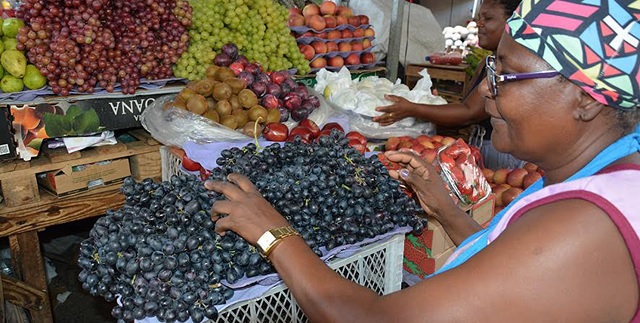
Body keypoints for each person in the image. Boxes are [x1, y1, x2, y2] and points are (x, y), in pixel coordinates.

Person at [205, 0, 640, 321]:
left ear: (585, 99)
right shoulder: (600, 177)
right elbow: (510, 267)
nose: (486, 91)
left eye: (504, 74)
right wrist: (446, 211)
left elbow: (374, 320)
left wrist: (272, 232)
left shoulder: (582, 223)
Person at [372, 0, 523, 170]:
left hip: (501, 156)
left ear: (513, 23)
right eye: (479, 18)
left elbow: (469, 113)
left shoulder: (512, 67)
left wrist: (412, 109)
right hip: (481, 146)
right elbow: (465, 105)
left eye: (487, 19)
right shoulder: (486, 62)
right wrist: (433, 104)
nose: (478, 24)